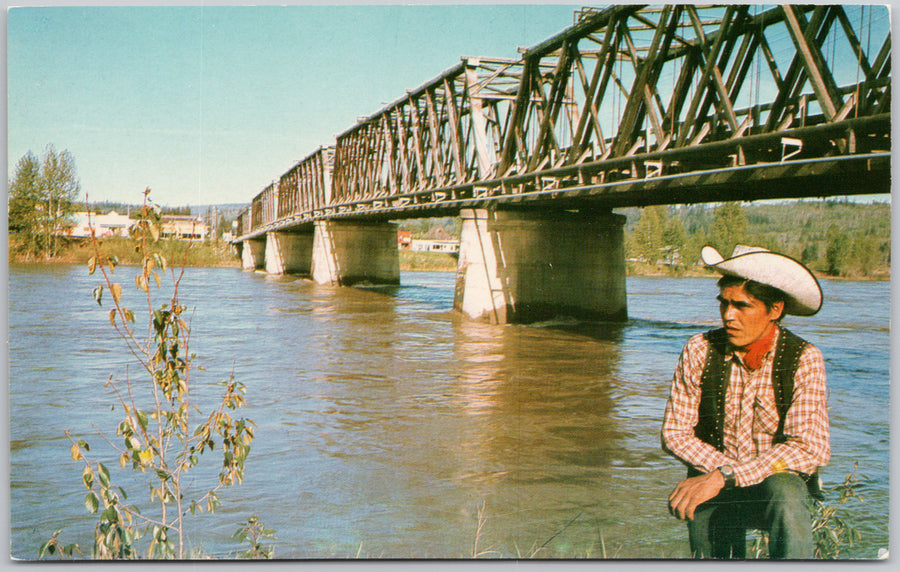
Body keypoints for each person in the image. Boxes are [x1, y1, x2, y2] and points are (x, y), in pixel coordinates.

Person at [661, 245, 830, 559]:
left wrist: (727, 476)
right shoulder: (699, 350)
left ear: (775, 309)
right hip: (713, 485)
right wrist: (720, 477)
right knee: (701, 501)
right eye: (723, 303)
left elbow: (809, 447)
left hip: (770, 489)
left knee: (786, 491)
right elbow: (675, 433)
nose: (728, 316)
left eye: (742, 305)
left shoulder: (804, 359)